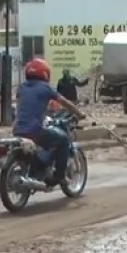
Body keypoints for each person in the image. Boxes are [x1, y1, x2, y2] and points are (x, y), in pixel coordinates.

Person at [14, 57, 86, 188]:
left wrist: (44, 111)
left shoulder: (21, 88)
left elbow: (27, 106)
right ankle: (59, 176)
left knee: (45, 141)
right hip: (34, 131)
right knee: (63, 139)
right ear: (45, 73)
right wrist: (79, 113)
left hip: (18, 130)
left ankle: (40, 168)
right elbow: (65, 102)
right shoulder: (45, 88)